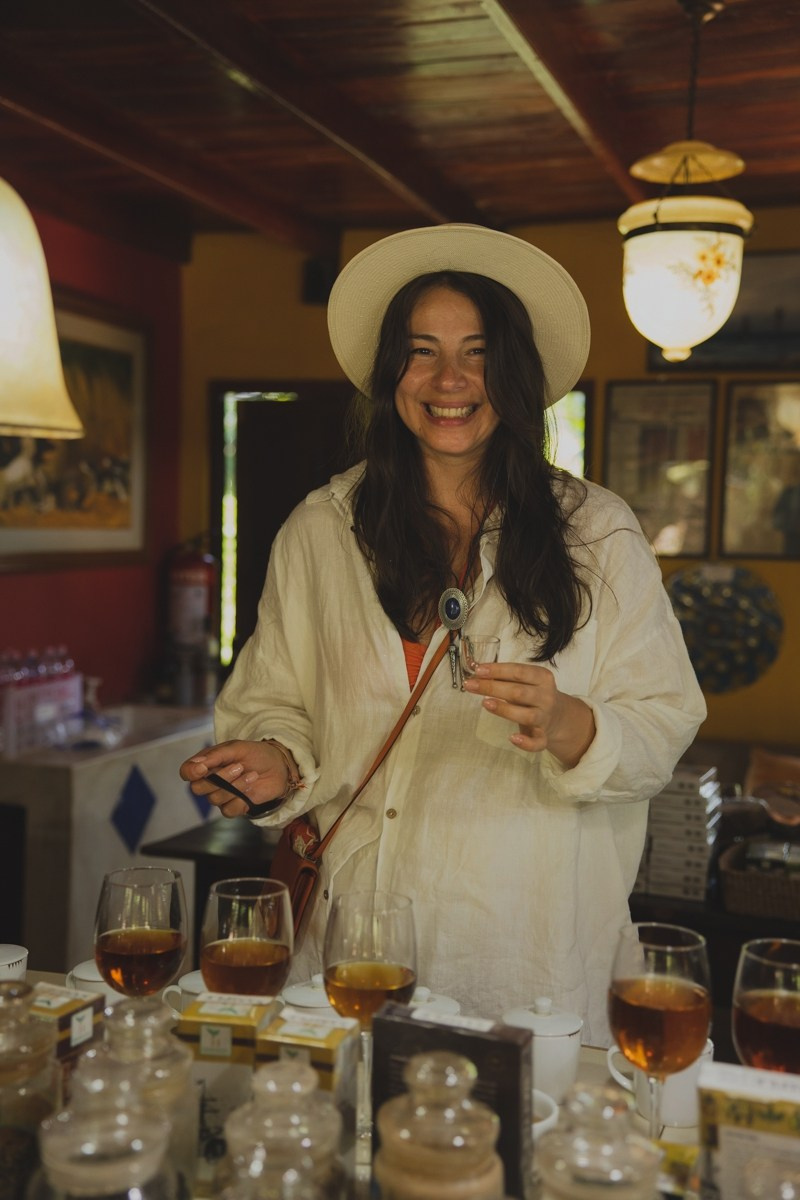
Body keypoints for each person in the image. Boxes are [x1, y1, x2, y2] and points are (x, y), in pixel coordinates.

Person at [180, 224, 706, 1044]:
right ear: (391, 371)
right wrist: (275, 758)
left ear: (516, 374)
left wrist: (571, 724)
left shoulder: (597, 533)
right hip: (351, 952)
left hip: (521, 960)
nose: (449, 379)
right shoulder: (322, 529)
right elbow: (275, 699)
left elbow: (666, 722)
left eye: (478, 352)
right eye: (421, 351)